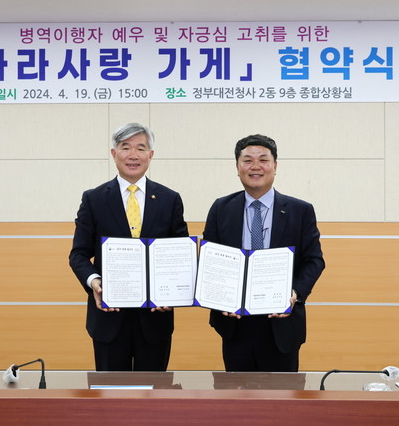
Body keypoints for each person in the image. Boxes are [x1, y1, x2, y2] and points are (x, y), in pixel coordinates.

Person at [69, 123, 189, 371]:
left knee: (153, 390)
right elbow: (78, 254)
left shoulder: (169, 199)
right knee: (111, 391)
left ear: (151, 155)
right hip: (108, 317)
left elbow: (180, 254)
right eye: (126, 148)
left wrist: (173, 292)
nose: (133, 155)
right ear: (114, 154)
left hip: (155, 318)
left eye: (140, 148)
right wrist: (94, 281)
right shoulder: (94, 199)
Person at [203, 134, 325, 372]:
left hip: (281, 321)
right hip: (234, 322)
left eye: (263, 160)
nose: (255, 166)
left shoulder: (300, 210)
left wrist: (295, 292)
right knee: (236, 392)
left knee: (282, 393)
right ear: (237, 167)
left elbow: (314, 261)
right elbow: (210, 261)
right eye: (247, 160)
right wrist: (218, 297)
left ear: (275, 166)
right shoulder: (221, 208)